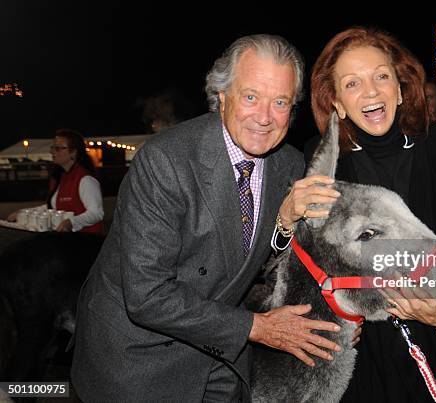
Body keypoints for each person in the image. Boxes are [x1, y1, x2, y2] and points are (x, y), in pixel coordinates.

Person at [70, 34, 342, 402]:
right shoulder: (166, 161)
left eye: (279, 102)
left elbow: (262, 263)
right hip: (141, 357)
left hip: (221, 352)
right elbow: (147, 295)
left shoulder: (289, 163)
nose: (264, 117)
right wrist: (257, 327)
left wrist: (338, 319)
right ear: (222, 95)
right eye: (251, 97)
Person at [277, 27, 436, 403]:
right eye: (352, 83)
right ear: (337, 102)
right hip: (363, 355)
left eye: (381, 76)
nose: (371, 91)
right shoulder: (321, 163)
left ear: (400, 86)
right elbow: (302, 263)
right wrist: (285, 219)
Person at [6, 128, 104, 234]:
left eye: (58, 148)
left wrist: (72, 222)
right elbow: (53, 207)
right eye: (53, 147)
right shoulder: (59, 177)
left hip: (87, 241)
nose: (51, 152)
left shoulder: (86, 179)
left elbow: (96, 213)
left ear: (73, 152)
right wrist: (24, 213)